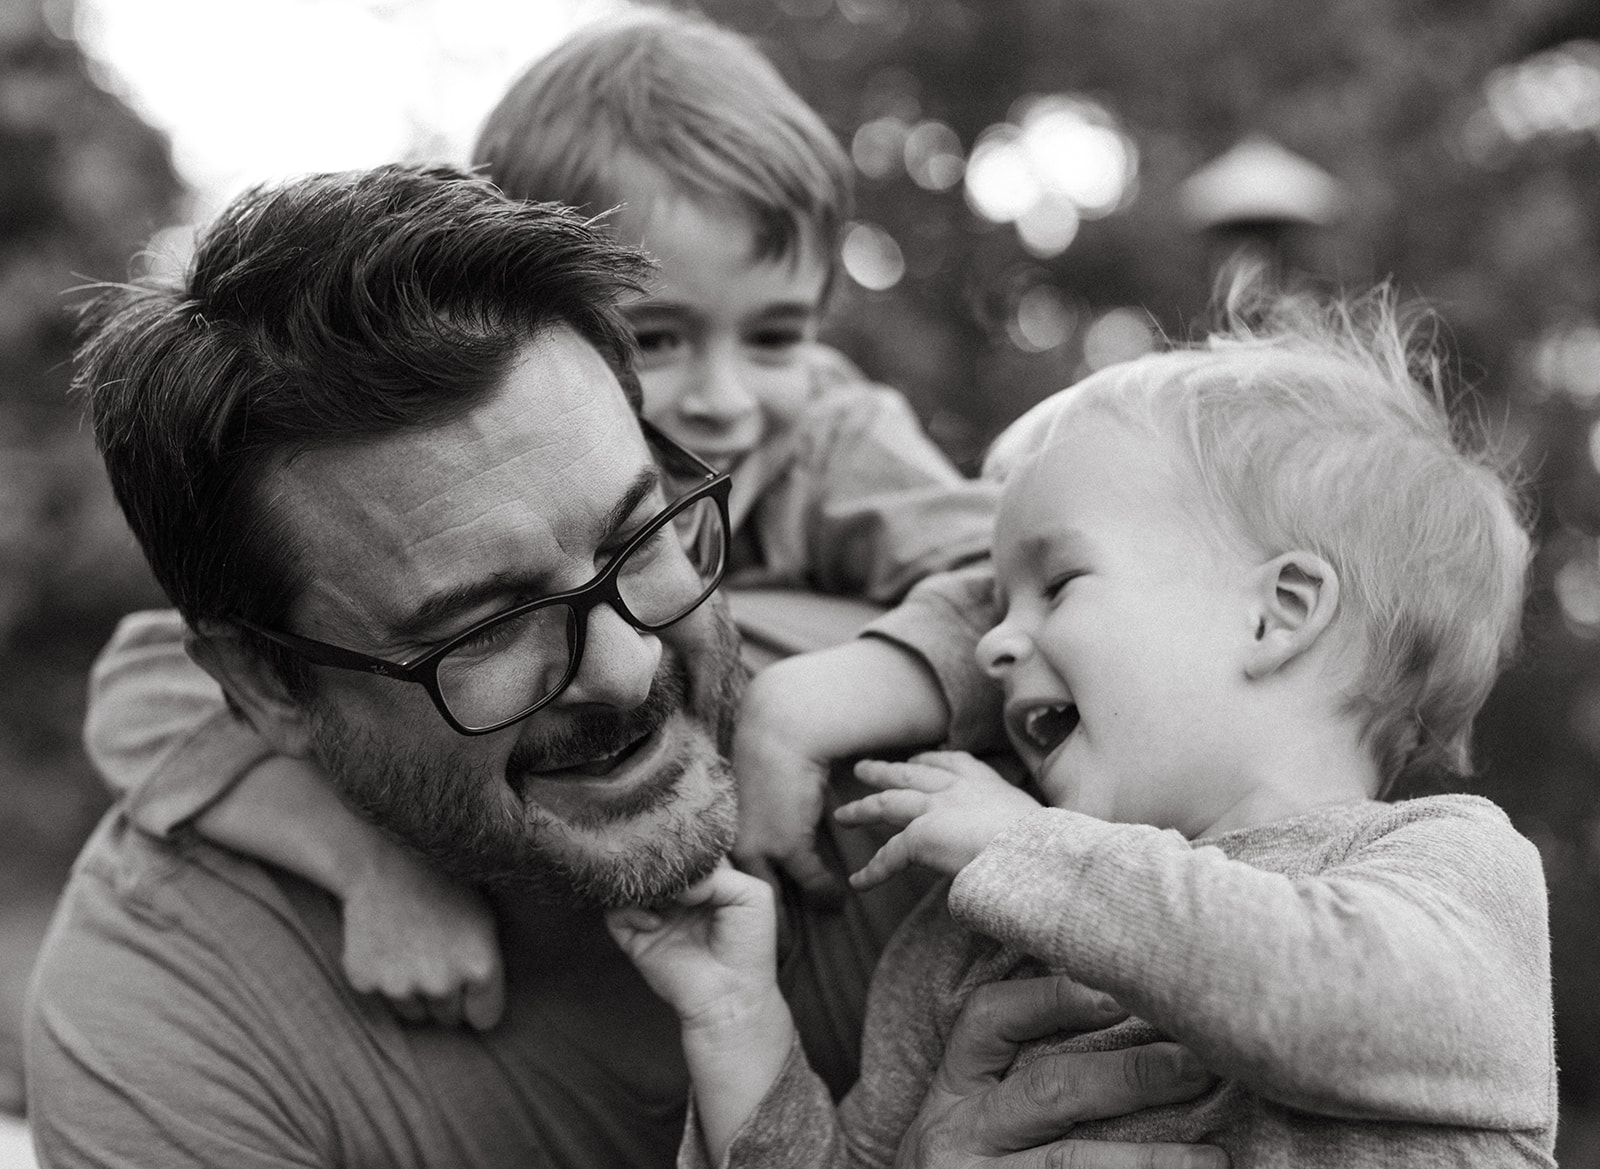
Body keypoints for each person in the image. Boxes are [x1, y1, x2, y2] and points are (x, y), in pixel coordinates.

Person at [26, 163, 1225, 1168]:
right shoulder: (175, 1027)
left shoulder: (958, 758)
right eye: (483, 623)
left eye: (637, 534)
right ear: (269, 686)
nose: (624, 660)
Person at [79, 5, 998, 1033]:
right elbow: (138, 695)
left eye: (777, 333)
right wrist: (370, 862)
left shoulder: (835, 434)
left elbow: (1007, 586)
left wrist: (810, 702)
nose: (726, 397)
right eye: (658, 337)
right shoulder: (461, 462)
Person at [607, 286, 1559, 1167]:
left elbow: (1329, 1003)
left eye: (1056, 584)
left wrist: (1030, 846)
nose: (991, 647)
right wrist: (738, 1016)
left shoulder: (1450, 863)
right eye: (996, 602)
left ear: (1278, 613)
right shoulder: (967, 937)